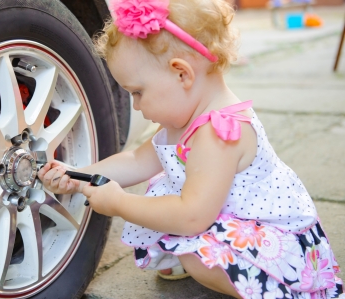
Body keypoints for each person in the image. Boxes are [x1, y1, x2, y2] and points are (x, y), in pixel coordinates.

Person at [38, 0, 344, 298]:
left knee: (195, 256)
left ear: (182, 73)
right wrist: (79, 175)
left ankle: (267, 288)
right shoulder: (182, 119)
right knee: (171, 207)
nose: (136, 105)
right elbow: (136, 161)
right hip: (222, 216)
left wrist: (119, 202)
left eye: (138, 92)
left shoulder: (218, 132)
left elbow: (192, 216)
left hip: (277, 240)